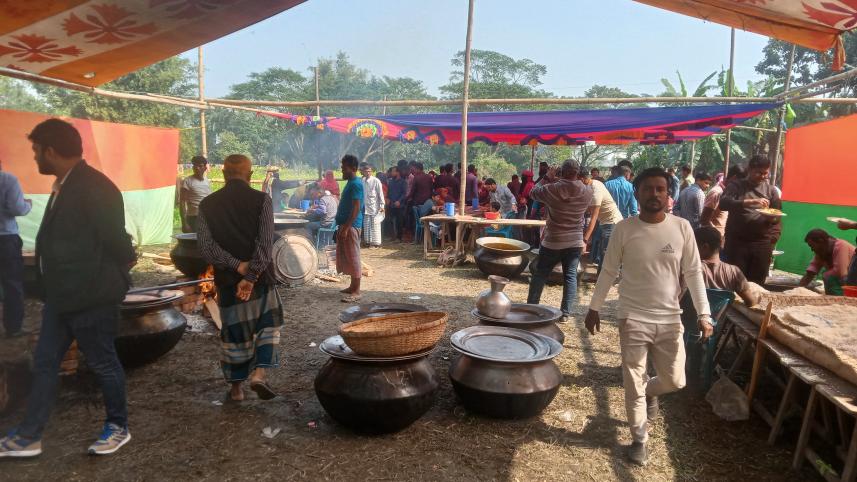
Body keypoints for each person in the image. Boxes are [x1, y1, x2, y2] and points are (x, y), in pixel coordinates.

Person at [1, 119, 136, 457]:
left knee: (103, 363)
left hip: (91, 294)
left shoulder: (95, 187)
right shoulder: (64, 184)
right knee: (45, 363)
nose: (34, 159)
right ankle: (30, 435)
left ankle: (117, 427)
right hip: (62, 297)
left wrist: (117, 274)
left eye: (36, 151)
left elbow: (117, 242)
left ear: (50, 150)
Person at [585, 167, 712, 466]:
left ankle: (648, 393)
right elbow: (609, 270)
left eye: (660, 189)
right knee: (632, 378)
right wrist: (594, 307)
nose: (654, 194)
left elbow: (693, 273)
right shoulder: (624, 229)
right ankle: (639, 439)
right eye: (648, 189)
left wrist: (705, 314)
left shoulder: (682, 228)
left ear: (669, 195)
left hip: (670, 318)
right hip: (632, 317)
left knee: (675, 380)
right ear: (636, 193)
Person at [197, 154, 283, 403]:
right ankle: (259, 373)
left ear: (223, 175)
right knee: (267, 325)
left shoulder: (207, 204)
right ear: (251, 175)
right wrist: (252, 274)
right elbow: (265, 244)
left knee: (234, 333)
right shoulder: (262, 200)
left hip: (227, 282)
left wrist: (237, 267)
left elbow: (206, 247)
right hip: (261, 281)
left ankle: (236, 390)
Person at [527, 160, 593, 321]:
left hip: (553, 240)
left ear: (562, 172)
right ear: (577, 173)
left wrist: (547, 177)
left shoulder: (552, 189)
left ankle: (531, 307)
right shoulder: (587, 191)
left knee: (540, 274)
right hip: (575, 241)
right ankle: (565, 313)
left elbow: (532, 193)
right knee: (570, 276)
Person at [719, 155, 782, 284]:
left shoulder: (772, 191)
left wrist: (773, 235)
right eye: (759, 172)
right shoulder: (736, 186)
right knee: (735, 281)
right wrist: (748, 202)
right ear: (750, 170)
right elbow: (723, 204)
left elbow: (777, 215)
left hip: (762, 244)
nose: (763, 176)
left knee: (757, 284)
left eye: (766, 173)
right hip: (737, 243)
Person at [0, 158, 32, 337]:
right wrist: (28, 205)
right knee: (12, 284)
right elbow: (17, 209)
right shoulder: (8, 180)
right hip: (5, 238)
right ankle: (13, 328)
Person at [694, 226, 759, 306]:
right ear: (721, 243)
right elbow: (751, 302)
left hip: (694, 316)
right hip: (720, 317)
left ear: (705, 247)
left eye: (693, 246)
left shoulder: (693, 268)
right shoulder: (734, 271)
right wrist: (757, 298)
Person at [335, 155, 364, 302]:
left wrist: (347, 227)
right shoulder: (351, 182)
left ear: (353, 169)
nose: (342, 171)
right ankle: (352, 287)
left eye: (344, 168)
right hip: (347, 225)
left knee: (354, 257)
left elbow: (356, 207)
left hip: (351, 226)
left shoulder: (356, 184)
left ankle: (357, 291)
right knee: (348, 256)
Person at [584, 176, 624, 272]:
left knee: (606, 253)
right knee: (603, 252)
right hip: (605, 221)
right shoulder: (593, 184)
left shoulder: (595, 190)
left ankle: (606, 278)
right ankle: (600, 278)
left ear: (582, 179)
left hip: (612, 222)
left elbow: (593, 216)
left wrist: (585, 239)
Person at [799, 229, 856, 295]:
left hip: (852, 281)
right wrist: (798, 288)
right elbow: (811, 272)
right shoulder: (822, 250)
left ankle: (840, 299)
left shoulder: (841, 245)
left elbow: (841, 272)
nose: (812, 249)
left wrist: (825, 275)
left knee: (829, 277)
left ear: (821, 241)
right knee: (829, 277)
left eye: (812, 246)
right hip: (845, 280)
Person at [700, 165, 745, 241]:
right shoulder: (717, 192)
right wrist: (717, 235)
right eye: (740, 183)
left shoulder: (727, 193)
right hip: (713, 239)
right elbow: (704, 219)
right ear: (734, 178)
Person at [179, 155, 212, 232]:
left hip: (207, 217)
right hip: (193, 218)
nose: (197, 168)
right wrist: (184, 223)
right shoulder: (187, 181)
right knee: (195, 242)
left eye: (200, 166)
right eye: (195, 166)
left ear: (205, 168)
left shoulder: (207, 181)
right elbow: (182, 202)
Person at [360, 163, 385, 248]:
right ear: (363, 172)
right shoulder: (362, 180)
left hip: (375, 208)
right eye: (365, 171)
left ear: (371, 172)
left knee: (375, 226)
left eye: (369, 171)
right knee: (366, 226)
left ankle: (376, 244)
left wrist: (382, 208)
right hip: (366, 207)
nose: (367, 173)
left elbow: (381, 195)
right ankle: (368, 242)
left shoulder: (376, 181)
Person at [386, 166, 407, 242]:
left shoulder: (403, 182)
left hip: (399, 205)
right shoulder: (391, 182)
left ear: (397, 172)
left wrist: (399, 201)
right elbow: (389, 192)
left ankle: (399, 237)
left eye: (393, 171)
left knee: (399, 222)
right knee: (391, 221)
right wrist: (387, 198)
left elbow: (404, 194)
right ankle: (392, 236)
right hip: (391, 204)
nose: (391, 173)